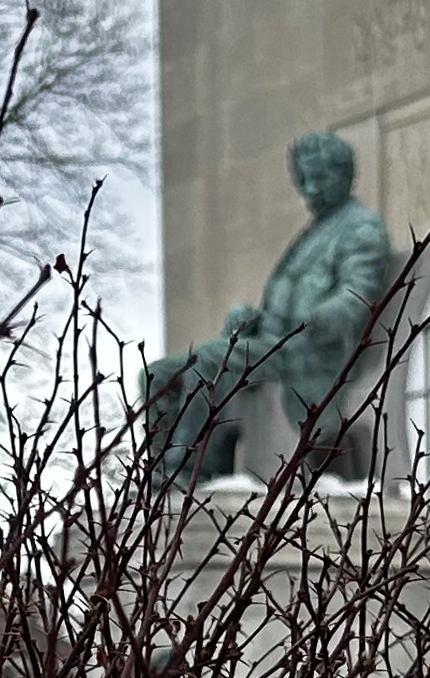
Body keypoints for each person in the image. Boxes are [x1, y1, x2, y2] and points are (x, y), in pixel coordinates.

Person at [143, 131, 400, 490]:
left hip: (313, 358)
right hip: (275, 346)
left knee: (205, 363)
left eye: (319, 178)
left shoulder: (361, 228)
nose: (309, 190)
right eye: (304, 179)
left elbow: (357, 298)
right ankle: (160, 474)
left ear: (344, 174)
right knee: (156, 374)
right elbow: (289, 300)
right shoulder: (316, 231)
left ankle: (190, 472)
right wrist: (255, 318)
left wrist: (311, 321)